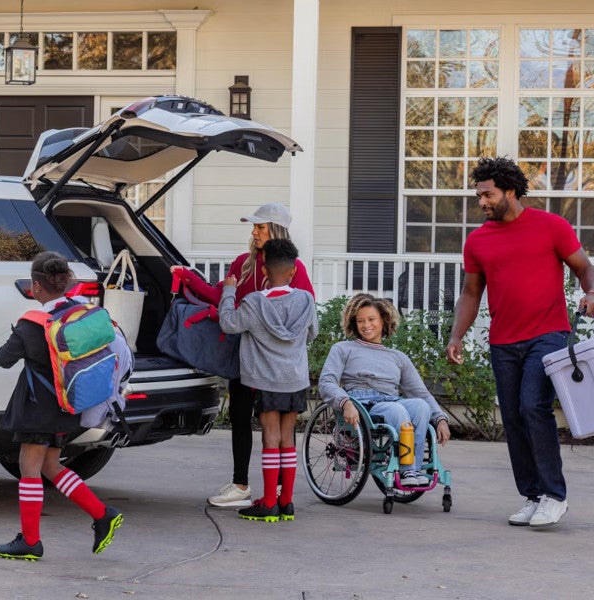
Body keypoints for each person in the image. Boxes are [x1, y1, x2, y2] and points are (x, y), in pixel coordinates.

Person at [445, 156, 594, 528]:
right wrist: (456, 335)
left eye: (487, 194)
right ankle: (533, 496)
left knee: (534, 406)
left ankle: (554, 495)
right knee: (513, 417)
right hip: (503, 341)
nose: (481, 202)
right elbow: (470, 294)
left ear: (510, 191)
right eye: (479, 195)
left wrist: (592, 293)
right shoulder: (478, 240)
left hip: (548, 334)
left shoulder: (551, 226)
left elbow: (584, 268)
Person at [171, 202, 315, 508]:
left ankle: (273, 494)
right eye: (254, 227)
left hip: (273, 365)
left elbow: (298, 312)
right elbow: (220, 293)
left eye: (260, 227)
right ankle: (243, 486)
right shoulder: (243, 262)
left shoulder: (294, 268)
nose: (254, 232)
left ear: (276, 229)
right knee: (240, 418)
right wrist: (188, 278)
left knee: (271, 431)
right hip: (246, 359)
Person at [0, 251, 124, 561]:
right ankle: (102, 514)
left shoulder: (32, 324)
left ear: (36, 287)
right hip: (70, 403)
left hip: (38, 407)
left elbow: (3, 358)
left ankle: (30, 541)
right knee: (51, 466)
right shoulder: (79, 313)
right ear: (64, 283)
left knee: (29, 468)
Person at [217, 239, 318, 521]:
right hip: (295, 380)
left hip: (267, 381)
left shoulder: (253, 304)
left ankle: (268, 502)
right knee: (287, 439)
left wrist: (228, 291)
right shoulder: (306, 300)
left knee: (270, 439)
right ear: (292, 272)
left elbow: (228, 323)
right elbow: (312, 334)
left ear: (264, 271)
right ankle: (286, 502)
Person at [318, 294, 451, 486]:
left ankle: (413, 470)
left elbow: (420, 392)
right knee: (398, 411)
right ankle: (407, 472)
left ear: (383, 320)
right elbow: (327, 382)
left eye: (371, 319)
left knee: (421, 406)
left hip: (391, 400)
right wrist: (344, 401)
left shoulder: (398, 357)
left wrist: (440, 419)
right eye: (360, 321)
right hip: (362, 404)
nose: (366, 325)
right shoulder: (343, 349)